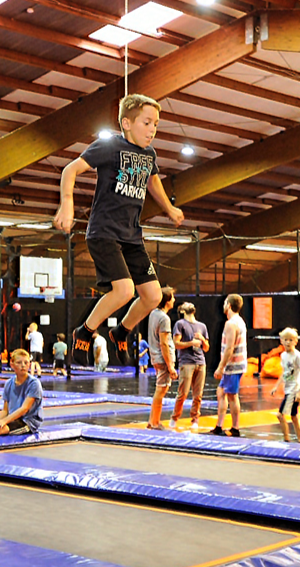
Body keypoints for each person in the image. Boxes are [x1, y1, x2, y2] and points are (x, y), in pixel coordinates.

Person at [54, 94, 184, 365]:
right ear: (127, 123)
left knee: (153, 296)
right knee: (124, 290)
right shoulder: (110, 146)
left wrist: (169, 208)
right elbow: (70, 170)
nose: (152, 130)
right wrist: (67, 204)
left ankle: (121, 331)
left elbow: (152, 180)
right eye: (146, 123)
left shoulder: (149, 154)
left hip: (131, 236)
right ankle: (85, 331)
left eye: (156, 124)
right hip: (104, 232)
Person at [211, 294, 247, 438]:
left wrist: (221, 367)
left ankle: (235, 428)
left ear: (229, 305)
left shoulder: (231, 324)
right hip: (234, 365)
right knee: (221, 392)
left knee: (232, 395)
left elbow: (229, 348)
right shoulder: (239, 321)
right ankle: (219, 425)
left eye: (225, 303)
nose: (223, 305)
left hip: (233, 366)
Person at [170, 301, 208, 431]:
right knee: (183, 393)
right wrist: (191, 343)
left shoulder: (202, 326)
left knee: (198, 395)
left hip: (200, 362)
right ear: (182, 310)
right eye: (186, 304)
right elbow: (176, 344)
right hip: (186, 362)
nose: (189, 304)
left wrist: (202, 339)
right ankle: (174, 418)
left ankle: (195, 419)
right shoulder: (180, 324)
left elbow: (206, 348)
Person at [144, 287, 177, 429]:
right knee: (161, 390)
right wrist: (170, 366)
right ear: (167, 300)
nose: (174, 300)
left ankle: (152, 421)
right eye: (172, 297)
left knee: (160, 389)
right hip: (163, 359)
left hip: (157, 357)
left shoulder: (153, 314)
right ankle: (155, 422)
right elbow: (164, 343)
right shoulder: (164, 318)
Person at [272, 327, 300, 442]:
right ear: (281, 341)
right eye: (285, 340)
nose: (288, 342)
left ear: (296, 341)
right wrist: (276, 386)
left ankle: (286, 438)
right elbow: (284, 372)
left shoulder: (298, 356)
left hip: (293, 390)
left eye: (291, 340)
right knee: (294, 417)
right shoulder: (283, 356)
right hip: (288, 389)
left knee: (280, 415)